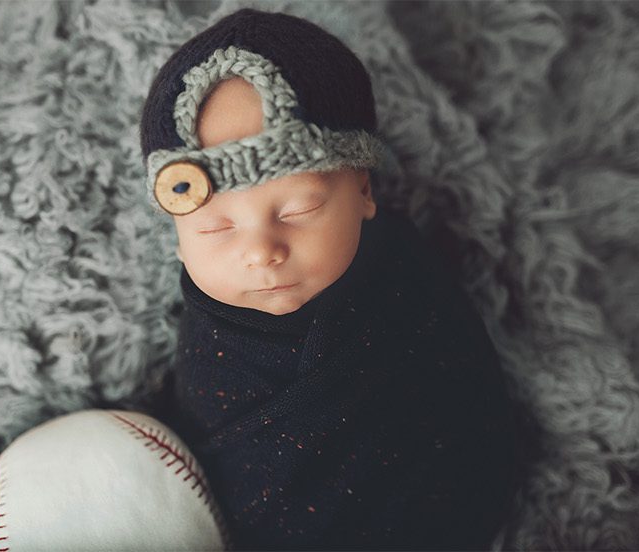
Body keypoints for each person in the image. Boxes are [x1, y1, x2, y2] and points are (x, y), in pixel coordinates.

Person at [141, 9, 527, 548]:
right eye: (216, 227)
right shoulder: (211, 345)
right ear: (178, 234)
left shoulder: (405, 282)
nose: (261, 252)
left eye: (298, 211)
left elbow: (467, 410)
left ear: (365, 192)